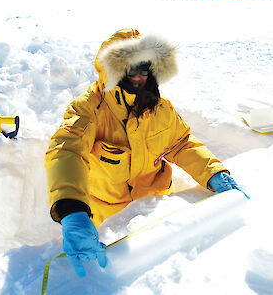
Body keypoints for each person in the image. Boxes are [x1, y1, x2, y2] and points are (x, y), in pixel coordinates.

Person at [44, 28, 246, 277]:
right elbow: (66, 151)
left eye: (146, 68)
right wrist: (71, 210)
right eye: (132, 68)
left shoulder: (160, 107)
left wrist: (212, 172)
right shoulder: (89, 108)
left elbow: (181, 143)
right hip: (109, 223)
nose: (140, 76)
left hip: (158, 212)